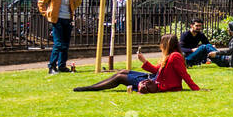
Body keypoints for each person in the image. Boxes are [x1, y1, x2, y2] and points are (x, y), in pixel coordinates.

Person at [73, 34, 201, 92]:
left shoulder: (175, 56)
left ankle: (89, 88)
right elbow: (157, 70)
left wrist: (196, 88)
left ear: (166, 44)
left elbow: (184, 75)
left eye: (162, 43)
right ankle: (92, 86)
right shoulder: (169, 56)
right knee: (122, 72)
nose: (160, 45)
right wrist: (144, 61)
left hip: (159, 84)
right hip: (155, 78)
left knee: (119, 77)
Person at [38, 0, 81, 75]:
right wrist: (46, 14)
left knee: (65, 44)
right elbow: (41, 2)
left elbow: (73, 6)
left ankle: (62, 66)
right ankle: (52, 67)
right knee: (58, 44)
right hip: (57, 20)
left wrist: (78, 0)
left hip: (68, 19)